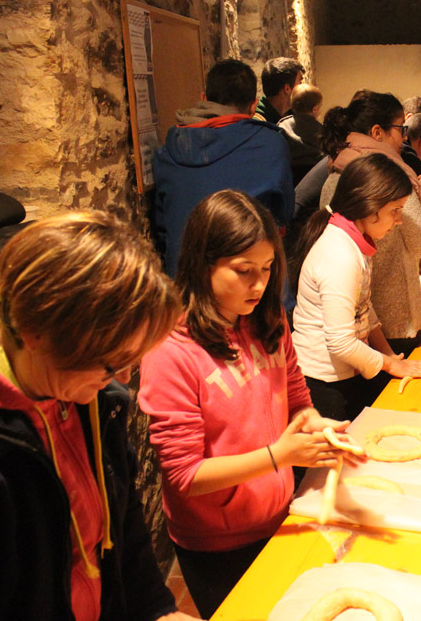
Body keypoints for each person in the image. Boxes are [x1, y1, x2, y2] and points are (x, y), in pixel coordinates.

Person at [139, 191, 355, 618]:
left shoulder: (267, 319)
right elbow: (185, 476)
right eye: (243, 271)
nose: (259, 284)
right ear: (203, 264)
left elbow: (296, 396)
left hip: (279, 515)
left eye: (268, 268)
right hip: (218, 543)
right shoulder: (170, 350)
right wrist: (279, 456)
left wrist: (312, 422)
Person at [0, 212, 192, 620]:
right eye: (112, 362)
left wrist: (157, 610)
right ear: (37, 333)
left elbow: (122, 526)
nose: (123, 379)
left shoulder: (93, 398)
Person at [292, 154, 421, 421]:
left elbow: (364, 308)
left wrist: (390, 356)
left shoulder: (354, 242)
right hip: (323, 383)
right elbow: (340, 343)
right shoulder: (340, 256)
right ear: (370, 206)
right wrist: (389, 364)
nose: (399, 220)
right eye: (395, 210)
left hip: (344, 373)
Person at [318, 91, 421, 354]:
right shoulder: (389, 178)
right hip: (395, 318)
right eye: (401, 128)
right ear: (377, 132)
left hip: (350, 320)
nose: (404, 137)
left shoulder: (335, 171)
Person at [153, 58, 293, 276]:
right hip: (247, 277)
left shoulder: (166, 153)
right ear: (254, 105)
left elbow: (162, 230)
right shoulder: (270, 144)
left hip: (183, 278)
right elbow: (284, 213)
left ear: (203, 98)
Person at [277, 83, 324, 186]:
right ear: (315, 109)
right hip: (315, 183)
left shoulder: (282, 126)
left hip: (289, 181)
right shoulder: (323, 131)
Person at [254, 57, 304, 125]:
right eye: (300, 82)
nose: (302, 87)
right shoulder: (258, 125)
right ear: (287, 89)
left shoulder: (296, 117)